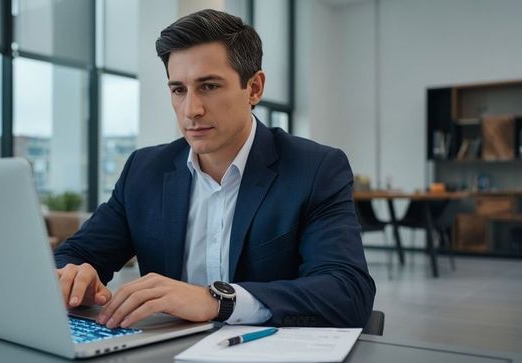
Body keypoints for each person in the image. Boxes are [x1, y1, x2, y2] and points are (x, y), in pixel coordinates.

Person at [54, 9, 375, 329]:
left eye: (208, 86)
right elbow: (74, 255)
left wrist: (218, 300)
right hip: (163, 352)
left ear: (254, 88)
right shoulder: (144, 170)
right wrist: (72, 278)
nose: (191, 110)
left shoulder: (314, 169)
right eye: (179, 90)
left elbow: (347, 293)